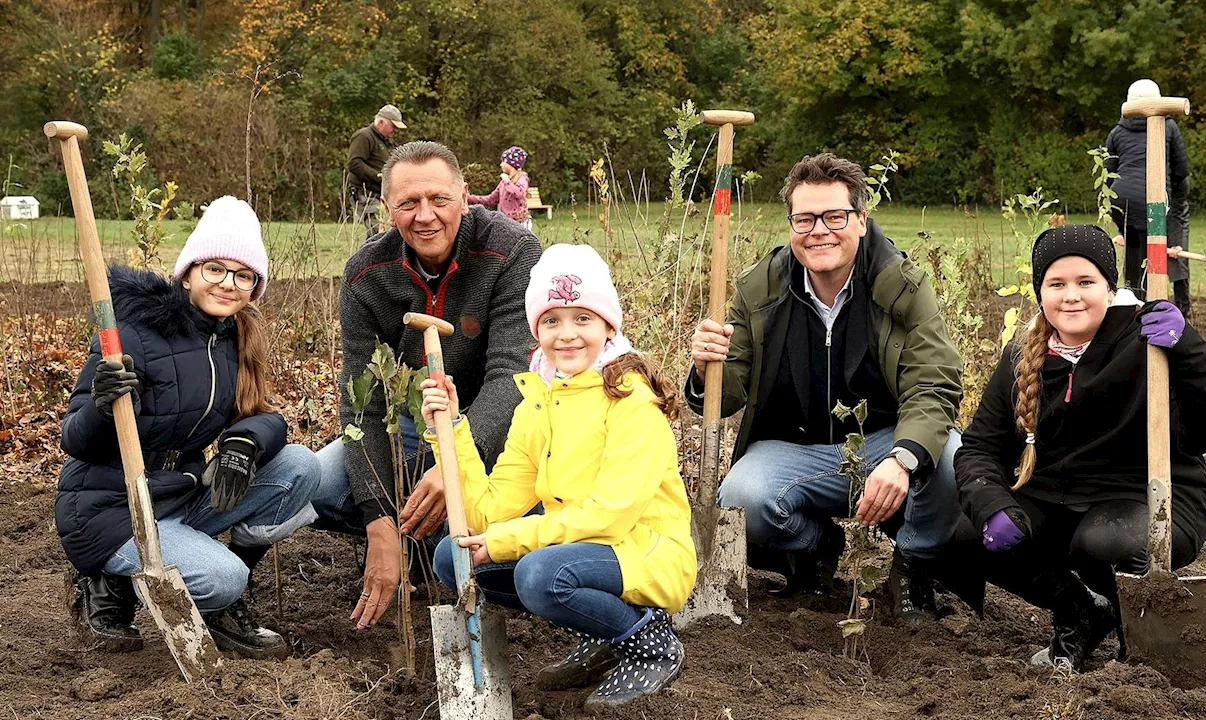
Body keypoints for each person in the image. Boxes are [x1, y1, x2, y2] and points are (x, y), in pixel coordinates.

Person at [685, 153, 965, 622]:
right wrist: (704, 366)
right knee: (742, 497)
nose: (819, 230)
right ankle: (815, 548)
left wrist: (902, 459)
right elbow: (727, 395)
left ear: (860, 220)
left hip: (882, 445)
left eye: (835, 216)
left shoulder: (903, 287)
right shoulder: (760, 290)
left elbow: (934, 384)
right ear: (791, 224)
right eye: (805, 218)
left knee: (950, 458)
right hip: (795, 450)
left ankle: (914, 566)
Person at [955, 224, 1206, 671]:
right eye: (1057, 284)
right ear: (1040, 292)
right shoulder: (1021, 359)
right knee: (964, 532)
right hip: (1058, 497)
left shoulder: (1147, 341)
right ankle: (1080, 610)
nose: (1071, 296)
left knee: (1102, 542)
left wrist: (1189, 349)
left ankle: (1140, 641)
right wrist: (990, 503)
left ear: (1109, 288)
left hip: (1153, 495)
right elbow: (978, 448)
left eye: (1085, 282)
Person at [423, 243, 695, 709]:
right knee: (453, 556)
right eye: (551, 320)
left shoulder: (631, 399)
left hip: (645, 550)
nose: (566, 335)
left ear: (609, 325)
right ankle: (603, 634)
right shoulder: (540, 401)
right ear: (536, 330)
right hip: (578, 549)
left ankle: (650, 640)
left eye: (582, 319)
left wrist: (506, 542)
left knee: (539, 575)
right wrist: (451, 429)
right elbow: (486, 511)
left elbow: (610, 516)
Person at [58, 196, 321, 659]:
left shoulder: (236, 339)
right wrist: (103, 406)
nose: (227, 284)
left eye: (243, 275)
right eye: (215, 269)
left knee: (299, 466)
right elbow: (74, 441)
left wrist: (244, 443)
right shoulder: (133, 332)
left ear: (255, 286)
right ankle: (107, 576)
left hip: (178, 496)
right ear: (189, 271)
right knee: (223, 577)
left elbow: (260, 413)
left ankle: (220, 606)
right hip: (111, 506)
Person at [311, 141, 542, 631]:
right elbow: (364, 403)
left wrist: (454, 462)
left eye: (439, 199)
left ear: (464, 195)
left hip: (500, 433)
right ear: (386, 208)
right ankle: (407, 541)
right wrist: (378, 521)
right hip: (417, 430)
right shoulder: (366, 273)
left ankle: (435, 542)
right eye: (408, 204)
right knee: (323, 483)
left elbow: (512, 377)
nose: (425, 216)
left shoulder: (511, 250)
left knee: (517, 516)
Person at [1105, 79, 1192, 315]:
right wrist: (1175, 218)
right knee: (1162, 248)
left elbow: (1109, 176)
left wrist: (1119, 227)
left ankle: (1134, 310)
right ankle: (1181, 310)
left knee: (1135, 256)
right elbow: (1181, 172)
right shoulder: (1168, 126)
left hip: (1122, 201)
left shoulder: (1117, 131)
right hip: (1155, 202)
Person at [346, 104, 406, 239]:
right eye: (393, 126)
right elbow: (354, 163)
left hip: (381, 195)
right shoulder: (364, 136)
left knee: (387, 232)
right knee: (378, 234)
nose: (395, 130)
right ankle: (369, 259)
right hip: (366, 194)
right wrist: (379, 177)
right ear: (381, 122)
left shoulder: (387, 142)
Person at [468, 146, 532, 230]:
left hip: (520, 224)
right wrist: (469, 198)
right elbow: (490, 200)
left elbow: (519, 193)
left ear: (511, 163)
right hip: (506, 224)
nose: (500, 164)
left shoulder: (522, 179)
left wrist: (506, 180)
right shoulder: (503, 183)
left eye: (503, 161)